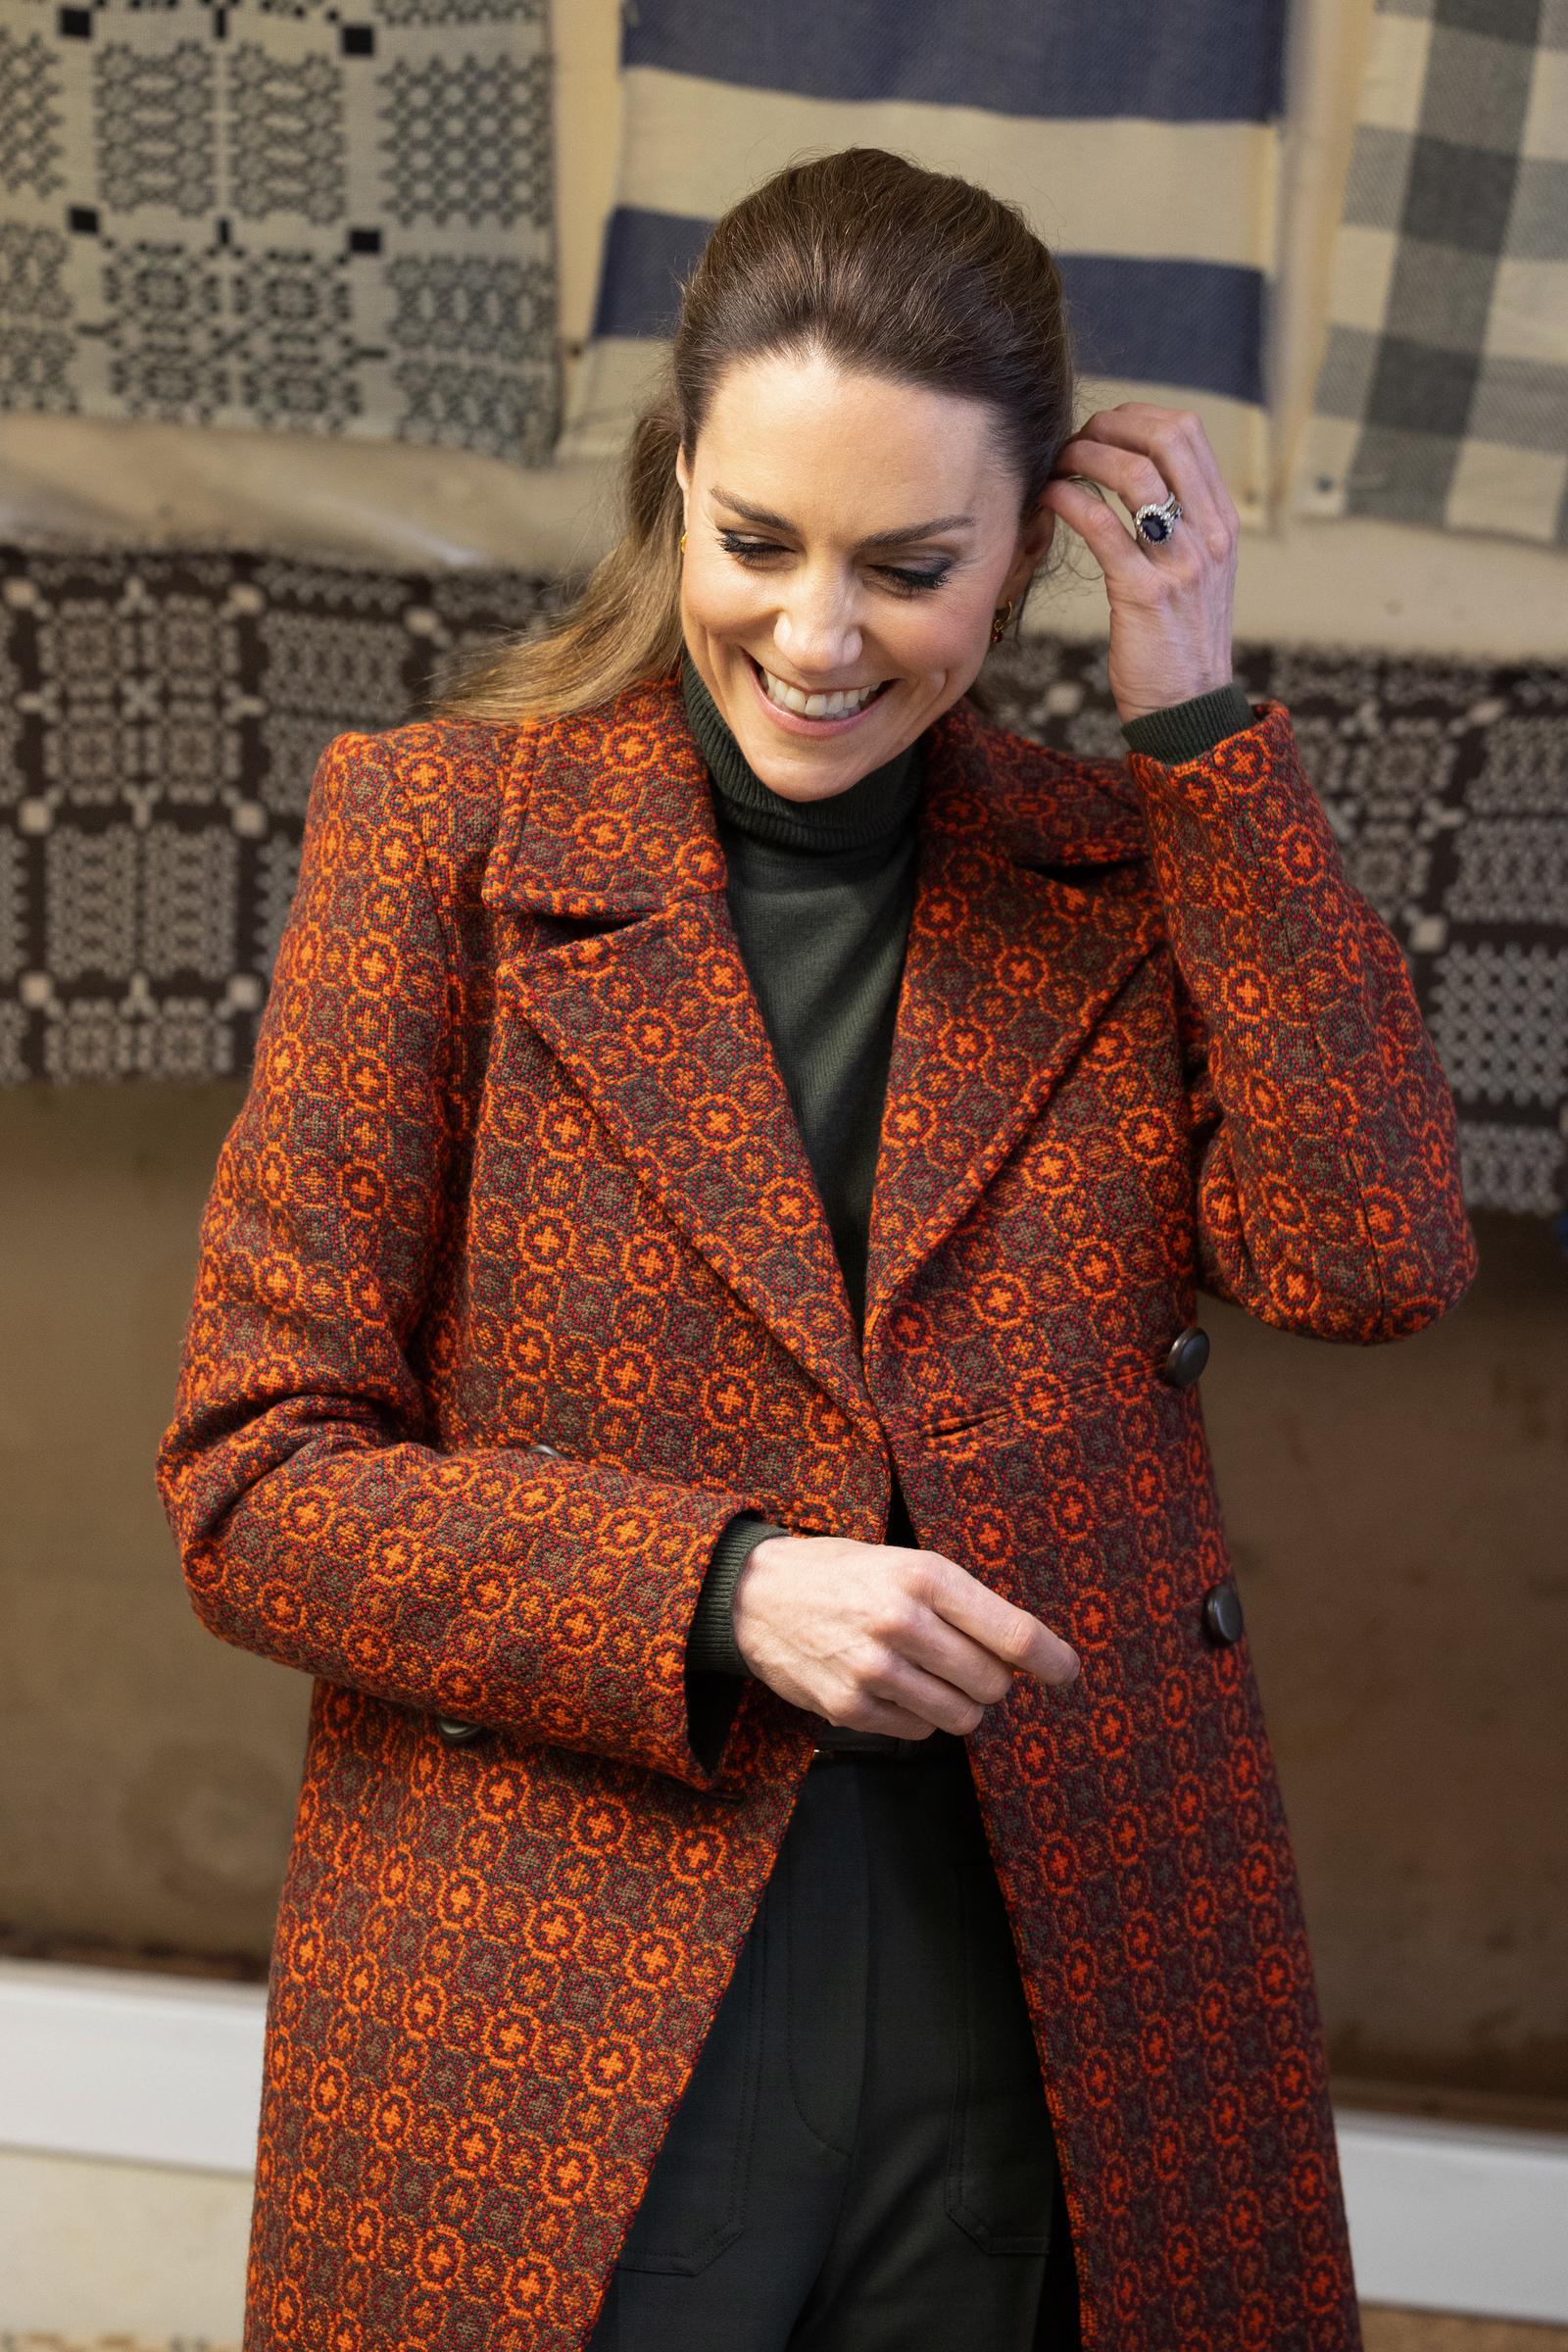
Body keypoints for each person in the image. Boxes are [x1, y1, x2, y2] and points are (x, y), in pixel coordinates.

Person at [156, 148, 1477, 2352]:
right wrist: (721, 1589)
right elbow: (254, 1482)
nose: (819, 636)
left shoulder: (1120, 870)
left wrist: (1193, 719)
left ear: (1028, 546)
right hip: (554, 1965)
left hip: (1046, 1968)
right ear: (676, 486)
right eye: (756, 543)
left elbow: (1370, 1258)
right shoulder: (440, 842)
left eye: (910, 566)